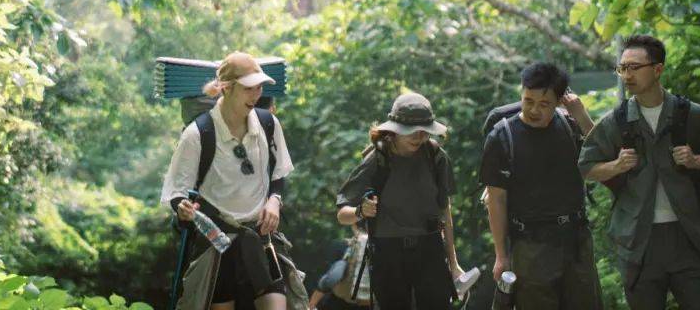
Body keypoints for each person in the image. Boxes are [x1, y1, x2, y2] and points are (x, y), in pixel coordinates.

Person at [579, 35, 700, 310]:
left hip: (688, 237)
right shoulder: (616, 121)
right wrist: (616, 166)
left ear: (658, 69)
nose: (626, 75)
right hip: (638, 243)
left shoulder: (690, 114)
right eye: (622, 68)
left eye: (634, 67)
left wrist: (696, 160)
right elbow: (586, 168)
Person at [161, 52, 309, 310]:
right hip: (217, 243)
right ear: (226, 89)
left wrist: (274, 202)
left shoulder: (269, 124)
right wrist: (183, 208)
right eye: (249, 88)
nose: (256, 94)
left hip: (261, 238)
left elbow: (278, 175)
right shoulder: (198, 133)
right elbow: (177, 193)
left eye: (260, 87)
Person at [335, 92, 479, 310]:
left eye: (424, 131)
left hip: (429, 247)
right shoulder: (377, 159)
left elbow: (444, 211)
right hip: (388, 251)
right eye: (411, 131)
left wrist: (453, 263)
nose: (418, 136)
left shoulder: (436, 156)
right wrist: (360, 211)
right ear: (394, 130)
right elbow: (341, 214)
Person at [479, 62, 601, 310]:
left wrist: (581, 114)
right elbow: (496, 199)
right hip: (530, 245)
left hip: (575, 240)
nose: (534, 109)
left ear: (559, 101)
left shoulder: (570, 126)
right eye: (528, 101)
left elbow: (605, 152)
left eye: (544, 104)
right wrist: (501, 256)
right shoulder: (502, 137)